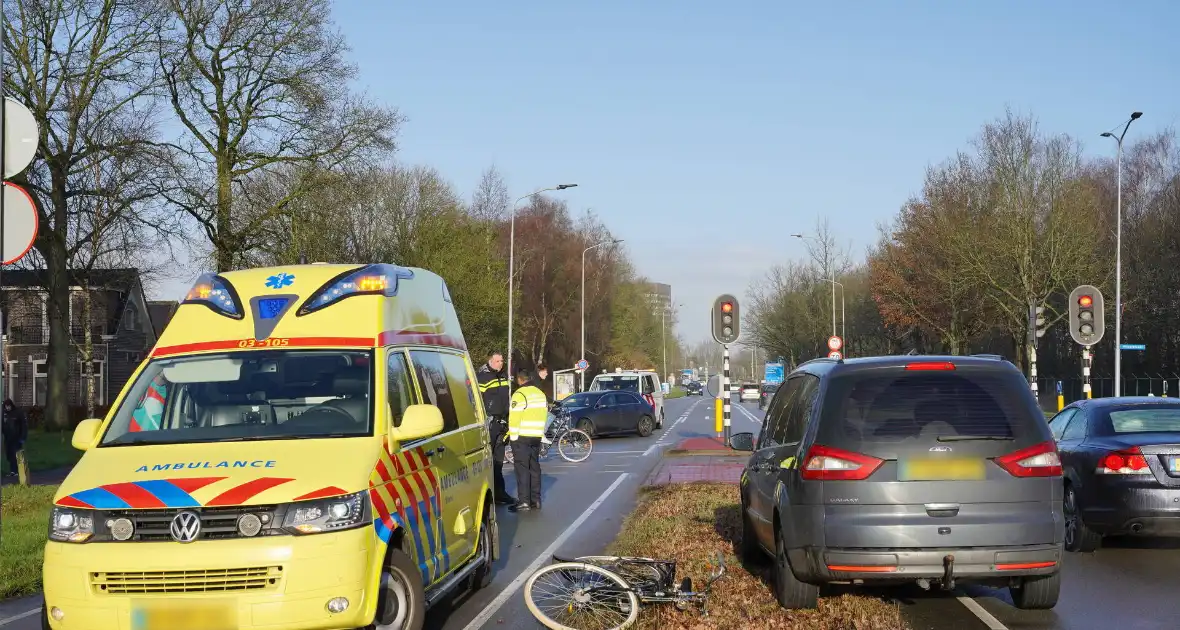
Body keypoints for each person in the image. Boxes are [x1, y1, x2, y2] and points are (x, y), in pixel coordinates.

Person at [477, 352, 515, 505]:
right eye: (498, 361)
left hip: (501, 423)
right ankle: (486, 495)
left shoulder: (503, 376)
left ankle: (500, 493)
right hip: (489, 423)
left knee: (498, 461)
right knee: (486, 461)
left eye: (502, 361)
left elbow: (506, 399)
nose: (501, 363)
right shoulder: (482, 377)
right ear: (490, 361)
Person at [508, 368, 547, 512]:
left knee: (522, 469)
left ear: (519, 380)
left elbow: (514, 417)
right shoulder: (540, 393)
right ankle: (535, 500)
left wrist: (513, 437)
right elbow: (545, 414)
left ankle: (524, 501)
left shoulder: (519, 394)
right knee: (534, 467)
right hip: (536, 435)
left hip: (522, 437)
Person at [2, 398, 28, 479]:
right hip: (8, 438)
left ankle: (19, 471)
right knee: (10, 455)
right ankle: (13, 471)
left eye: (9, 406)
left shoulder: (18, 413)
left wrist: (23, 437)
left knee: (16, 455)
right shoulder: (4, 414)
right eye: (6, 406)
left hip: (17, 438)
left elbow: (24, 425)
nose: (7, 408)